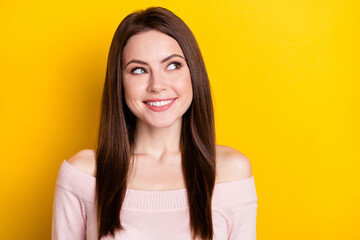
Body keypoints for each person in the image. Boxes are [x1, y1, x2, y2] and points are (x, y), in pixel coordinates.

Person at [52, 6, 258, 240]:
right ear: (120, 84)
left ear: (194, 74)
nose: (157, 85)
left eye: (172, 65)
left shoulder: (231, 171)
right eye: (139, 70)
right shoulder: (83, 174)